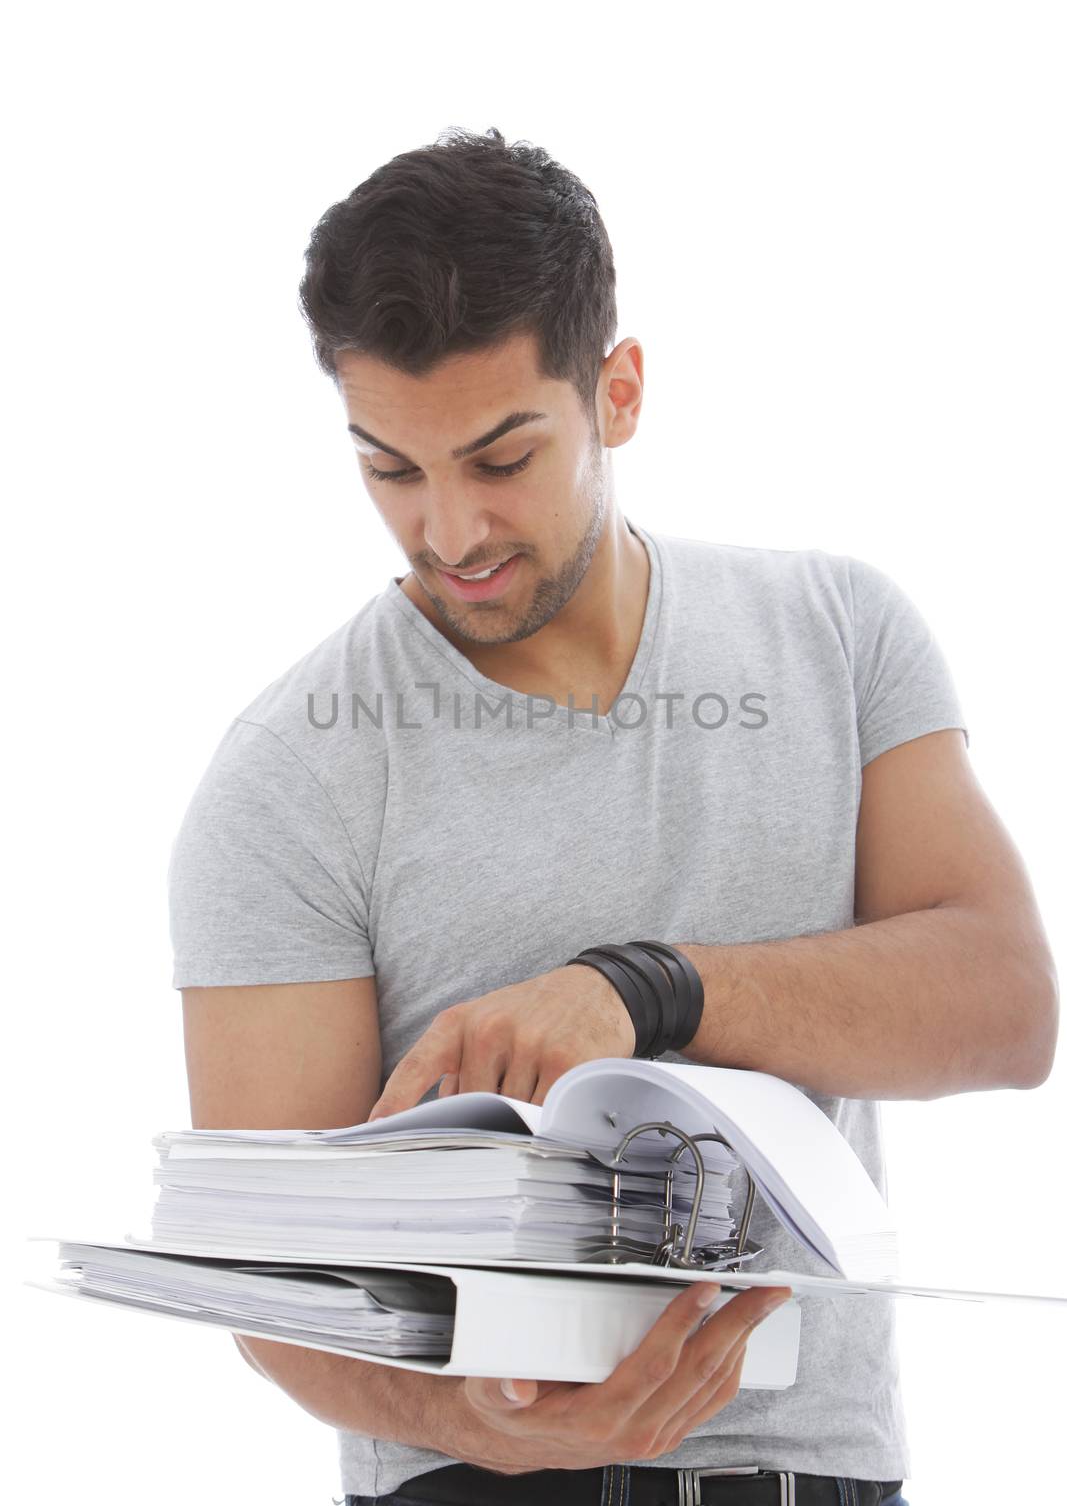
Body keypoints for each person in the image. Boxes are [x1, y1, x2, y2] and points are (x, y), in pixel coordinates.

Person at [169, 126, 1057, 1506]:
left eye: (502, 457)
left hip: (814, 1476)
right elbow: (273, 1284)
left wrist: (638, 991)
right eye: (391, 471)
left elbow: (1007, 1007)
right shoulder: (290, 774)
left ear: (618, 392)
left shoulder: (840, 634)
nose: (451, 531)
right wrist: (477, 1417)